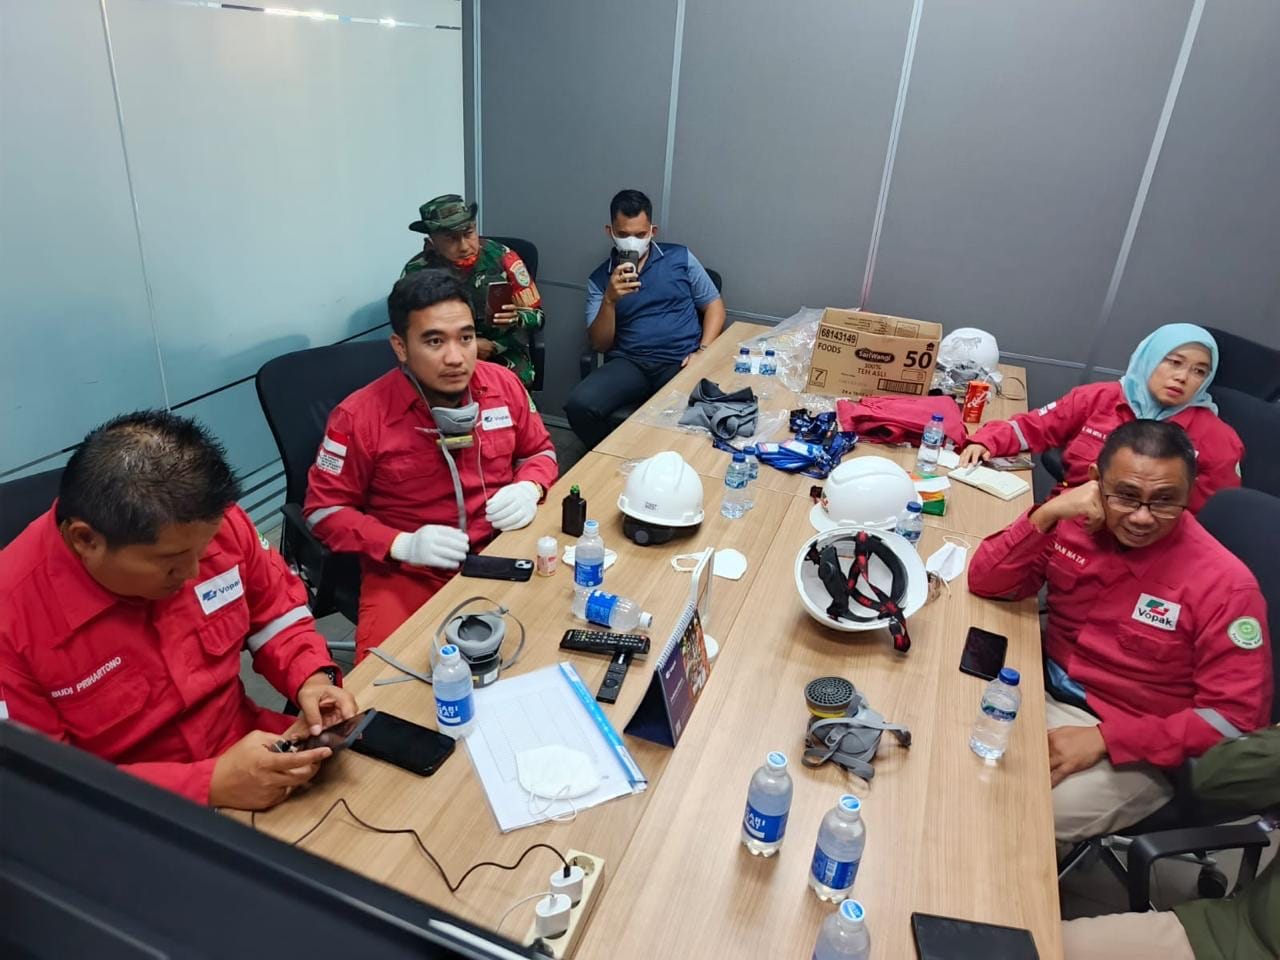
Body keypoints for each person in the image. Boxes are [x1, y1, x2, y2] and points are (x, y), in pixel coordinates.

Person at [0, 411, 357, 811]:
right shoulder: (11, 621)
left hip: (253, 750)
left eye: (202, 552)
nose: (191, 573)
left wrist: (312, 678)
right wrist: (208, 785)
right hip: (128, 808)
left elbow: (276, 614)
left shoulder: (208, 524)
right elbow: (43, 785)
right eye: (170, 562)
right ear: (86, 540)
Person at [968, 420, 1271, 843]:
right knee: (942, 737)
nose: (1142, 517)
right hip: (1038, 682)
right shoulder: (1078, 520)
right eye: (1126, 496)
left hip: (1135, 740)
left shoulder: (1226, 586)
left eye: (1165, 501)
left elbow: (1233, 720)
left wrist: (1106, 739)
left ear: (1189, 493)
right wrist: (1047, 514)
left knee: (1011, 813)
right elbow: (986, 581)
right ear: (1096, 480)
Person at [304, 269, 558, 662]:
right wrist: (400, 543)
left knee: (549, 649)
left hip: (503, 550)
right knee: (387, 685)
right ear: (400, 347)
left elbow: (540, 452)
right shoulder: (358, 417)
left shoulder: (503, 385)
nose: (456, 358)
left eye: (466, 338)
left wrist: (530, 486)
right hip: (408, 572)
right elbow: (323, 512)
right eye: (434, 341)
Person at [959, 324, 1243, 512]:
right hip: (1066, 515)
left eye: (1199, 371)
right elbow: (1036, 426)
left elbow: (1209, 520)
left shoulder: (1218, 439)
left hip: (1142, 547)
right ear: (1148, 358)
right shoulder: (1100, 397)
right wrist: (987, 441)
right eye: (1175, 362)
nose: (1183, 377)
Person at [1061, 724, 1279, 960]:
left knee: (1053, 806)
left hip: (1151, 753)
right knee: (1039, 946)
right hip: (1235, 936)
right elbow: (1214, 776)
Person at [564, 188, 726, 448]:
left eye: (640, 235)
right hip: (630, 362)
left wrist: (703, 352)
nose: (632, 242)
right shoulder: (600, 278)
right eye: (623, 234)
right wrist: (609, 300)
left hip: (679, 360)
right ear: (610, 231)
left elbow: (714, 306)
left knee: (698, 415)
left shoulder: (680, 258)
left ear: (653, 231)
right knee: (579, 406)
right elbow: (600, 344)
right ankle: (612, 456)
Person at [402, 193, 544, 388]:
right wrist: (463, 348)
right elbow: (407, 331)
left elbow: (538, 317)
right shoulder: (416, 272)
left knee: (506, 394)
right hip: (442, 357)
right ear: (432, 243)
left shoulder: (504, 258)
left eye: (468, 233)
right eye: (451, 239)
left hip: (502, 352)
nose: (464, 246)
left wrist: (516, 318)